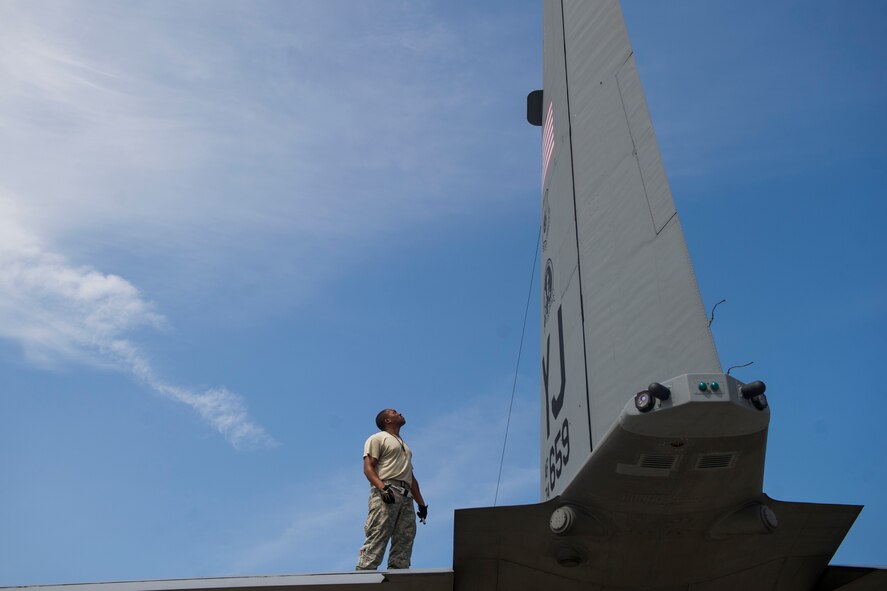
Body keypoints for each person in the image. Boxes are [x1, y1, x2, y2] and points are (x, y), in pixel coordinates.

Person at [356, 409, 428, 570]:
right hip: (388, 490)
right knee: (379, 533)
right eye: (394, 412)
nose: (400, 413)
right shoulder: (377, 438)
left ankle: (398, 577)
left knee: (405, 537)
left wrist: (422, 505)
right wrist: (382, 488)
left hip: (406, 496)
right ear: (387, 421)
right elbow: (368, 468)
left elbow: (410, 477)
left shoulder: (405, 447)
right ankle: (363, 576)